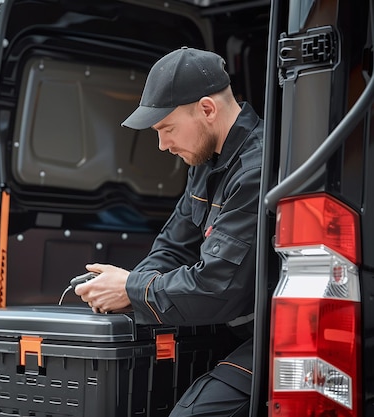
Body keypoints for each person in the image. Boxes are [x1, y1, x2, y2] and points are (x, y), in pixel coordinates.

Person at [74, 46, 262, 417]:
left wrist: (130, 288)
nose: (162, 145)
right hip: (233, 331)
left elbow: (216, 287)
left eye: (167, 129)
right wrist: (125, 289)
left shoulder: (257, 170)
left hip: (276, 336)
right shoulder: (207, 162)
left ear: (207, 110)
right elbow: (173, 246)